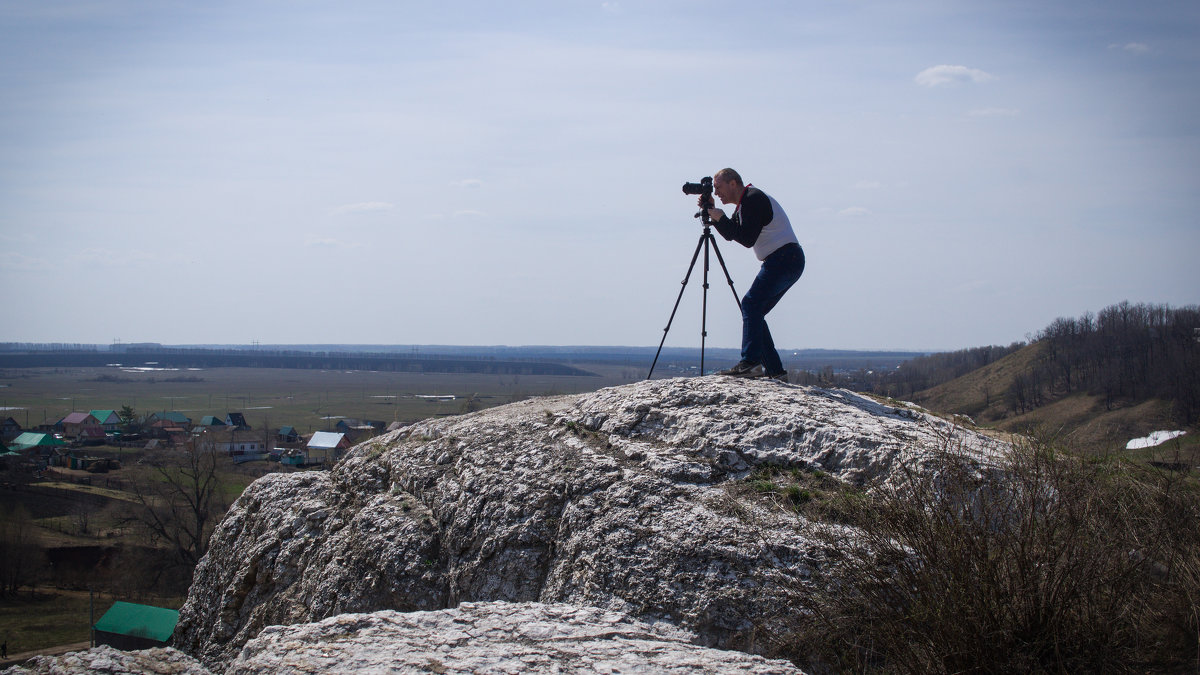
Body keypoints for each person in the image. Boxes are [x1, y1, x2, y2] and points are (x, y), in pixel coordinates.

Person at [703, 168, 805, 380]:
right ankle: (775, 371)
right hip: (786, 259)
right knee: (755, 311)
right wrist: (714, 213)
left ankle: (750, 363)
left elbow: (747, 239)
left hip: (784, 258)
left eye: (718, 187)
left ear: (733, 183)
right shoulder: (745, 203)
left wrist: (720, 218)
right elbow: (733, 233)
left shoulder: (752, 199)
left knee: (750, 304)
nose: (717, 192)